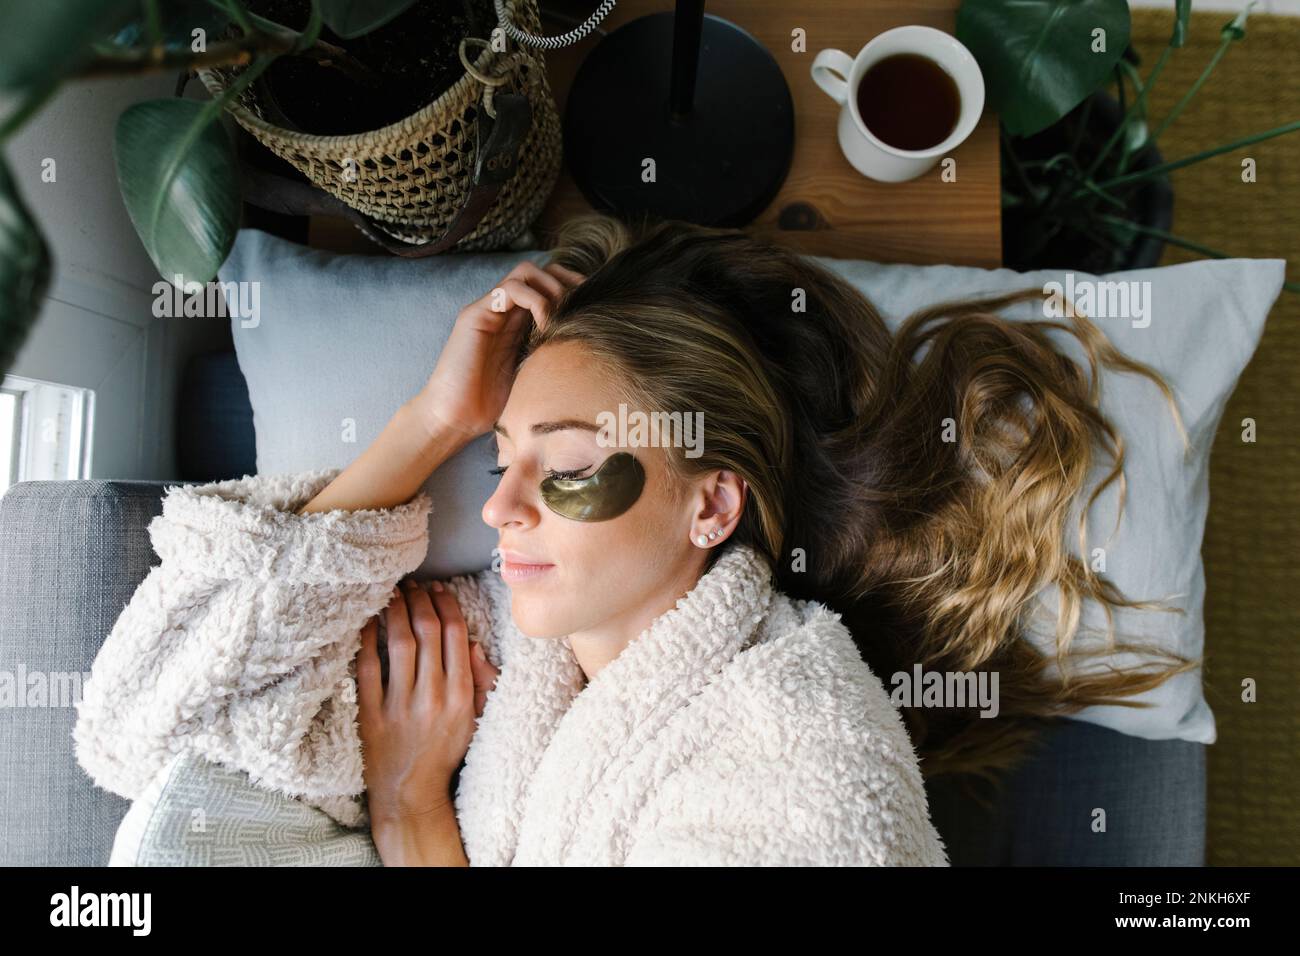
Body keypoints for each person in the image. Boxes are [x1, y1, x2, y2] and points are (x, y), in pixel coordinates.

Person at [75, 213, 1193, 867]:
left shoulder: (800, 759)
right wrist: (430, 422)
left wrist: (414, 807)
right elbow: (153, 724)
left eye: (563, 469)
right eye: (497, 458)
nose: (503, 507)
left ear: (710, 505)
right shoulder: (536, 644)